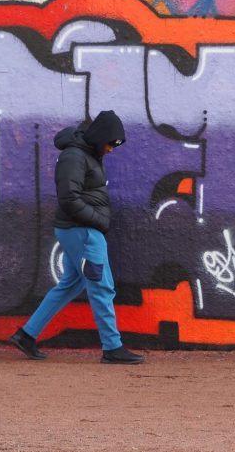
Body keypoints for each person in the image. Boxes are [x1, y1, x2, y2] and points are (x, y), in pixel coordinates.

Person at [8, 110, 145, 365]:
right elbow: (68, 198)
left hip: (80, 230)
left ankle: (26, 335)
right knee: (102, 286)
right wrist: (98, 221)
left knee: (70, 284)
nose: (111, 149)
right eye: (110, 144)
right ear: (100, 137)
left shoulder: (87, 154)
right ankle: (112, 347)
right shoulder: (74, 156)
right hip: (83, 232)